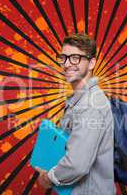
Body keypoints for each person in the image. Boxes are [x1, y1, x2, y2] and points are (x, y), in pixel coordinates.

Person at [36, 33, 116, 195]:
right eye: (63, 57)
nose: (67, 64)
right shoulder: (78, 100)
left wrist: (49, 178)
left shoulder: (91, 104)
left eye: (75, 58)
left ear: (92, 63)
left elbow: (77, 164)